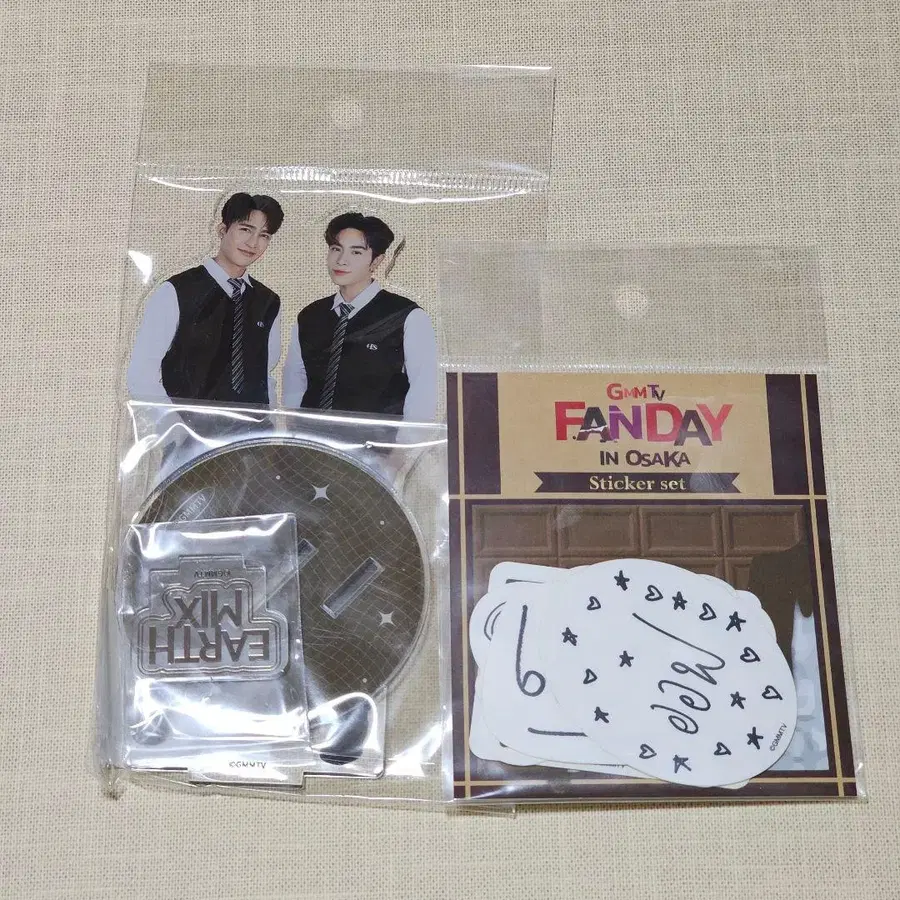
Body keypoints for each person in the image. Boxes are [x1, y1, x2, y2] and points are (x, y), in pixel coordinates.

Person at [127, 193, 284, 406]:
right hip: (188, 424)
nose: (253, 243)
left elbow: (266, 375)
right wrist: (173, 423)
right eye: (245, 229)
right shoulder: (176, 291)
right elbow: (142, 373)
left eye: (264, 235)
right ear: (222, 230)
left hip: (254, 426)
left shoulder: (268, 301)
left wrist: (271, 421)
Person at [282, 212, 437, 420]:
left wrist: (406, 440)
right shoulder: (310, 316)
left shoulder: (407, 317)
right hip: (311, 436)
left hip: (376, 438)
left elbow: (422, 392)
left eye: (356, 252)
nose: (341, 260)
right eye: (336, 249)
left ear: (376, 261)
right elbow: (295, 379)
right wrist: (294, 429)